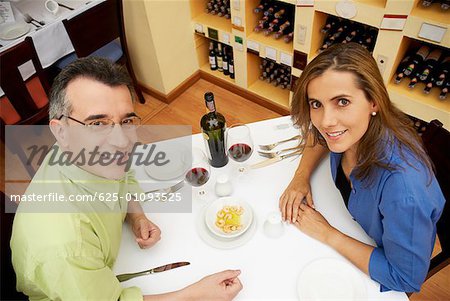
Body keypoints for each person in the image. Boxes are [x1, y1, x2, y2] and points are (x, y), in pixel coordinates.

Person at [10, 57, 242, 300]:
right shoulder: (65, 243)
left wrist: (136, 215)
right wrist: (196, 295)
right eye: (98, 123)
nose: (122, 142)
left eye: (127, 121)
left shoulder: (86, 153)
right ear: (60, 131)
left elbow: (125, 173)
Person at [279, 43, 445, 292]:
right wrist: (300, 177)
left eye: (342, 102)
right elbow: (320, 134)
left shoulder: (403, 188)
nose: (326, 120)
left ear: (374, 102)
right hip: (350, 223)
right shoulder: (350, 130)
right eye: (316, 104)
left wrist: (327, 234)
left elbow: (406, 279)